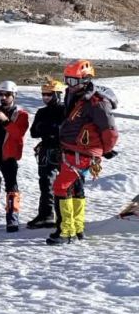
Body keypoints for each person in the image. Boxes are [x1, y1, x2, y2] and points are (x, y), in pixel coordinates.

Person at [47, 60, 118, 245]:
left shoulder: (97, 102)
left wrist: (106, 150)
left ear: (86, 79)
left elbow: (110, 131)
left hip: (82, 152)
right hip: (72, 149)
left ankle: (65, 231)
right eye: (67, 81)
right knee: (75, 188)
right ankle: (77, 229)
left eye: (73, 81)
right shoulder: (74, 95)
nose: (69, 85)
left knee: (61, 188)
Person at [0, 81, 30, 231]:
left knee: (12, 187)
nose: (3, 98)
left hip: (9, 155)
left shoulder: (21, 114)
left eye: (7, 95)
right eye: (1, 94)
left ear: (14, 95)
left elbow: (18, 134)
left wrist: (5, 120)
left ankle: (12, 219)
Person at [27, 79, 66, 229]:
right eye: (44, 94)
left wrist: (48, 128)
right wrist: (50, 129)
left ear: (57, 94)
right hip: (46, 151)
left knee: (63, 185)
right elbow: (33, 132)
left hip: (62, 151)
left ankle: (63, 216)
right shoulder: (42, 112)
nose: (45, 97)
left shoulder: (66, 111)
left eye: (49, 94)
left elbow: (65, 131)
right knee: (45, 183)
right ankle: (46, 215)